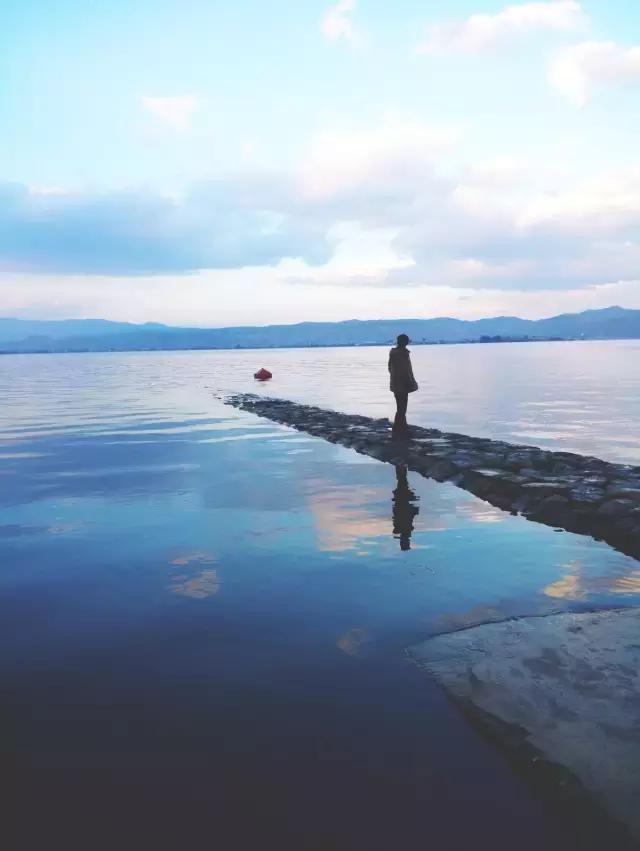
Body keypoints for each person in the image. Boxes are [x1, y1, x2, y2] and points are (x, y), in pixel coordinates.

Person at [388, 333, 418, 437]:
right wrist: (410, 382)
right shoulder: (402, 354)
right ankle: (399, 429)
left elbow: (390, 369)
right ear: (404, 342)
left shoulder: (393, 353)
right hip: (402, 384)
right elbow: (406, 370)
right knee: (402, 407)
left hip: (396, 383)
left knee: (400, 406)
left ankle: (401, 427)